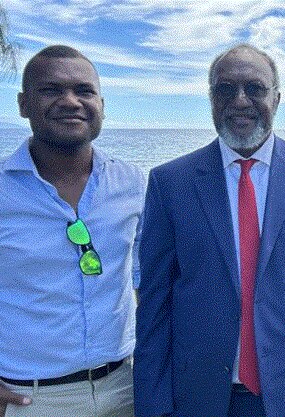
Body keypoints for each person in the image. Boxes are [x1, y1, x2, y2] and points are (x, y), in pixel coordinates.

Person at [133, 43, 285, 417]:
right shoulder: (169, 183)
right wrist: (152, 405)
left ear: (277, 98)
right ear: (211, 99)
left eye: (254, 88)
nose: (240, 100)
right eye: (226, 89)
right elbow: (154, 306)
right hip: (198, 395)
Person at [0, 45, 143, 417]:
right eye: (50, 90)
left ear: (101, 104)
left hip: (126, 388)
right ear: (22, 105)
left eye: (84, 90)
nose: (70, 101)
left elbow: (149, 278)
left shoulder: (133, 184)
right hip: (30, 399)